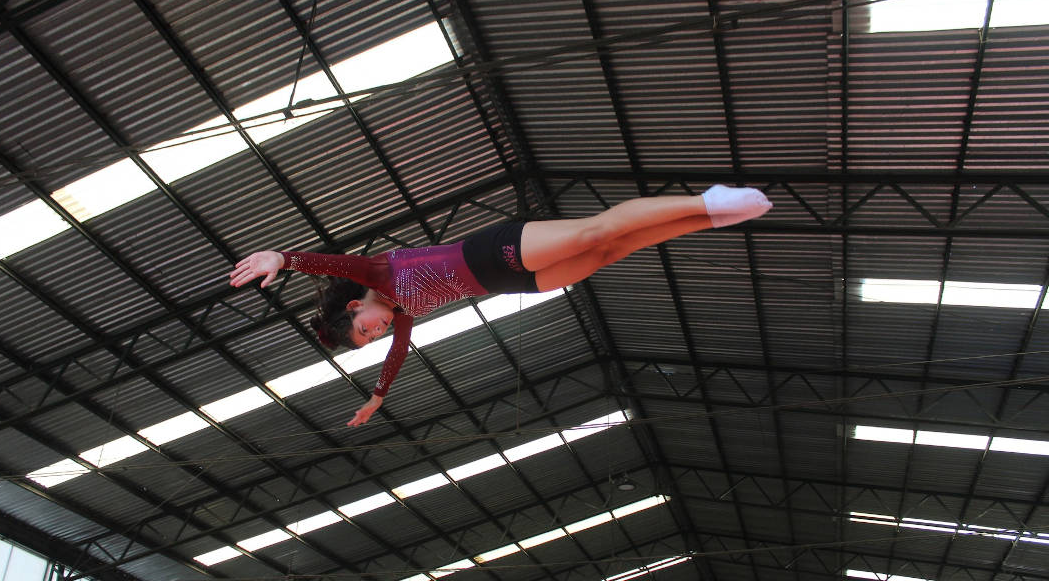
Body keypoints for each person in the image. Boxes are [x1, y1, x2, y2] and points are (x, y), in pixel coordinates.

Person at [229, 184, 772, 426]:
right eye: (371, 340)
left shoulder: (375, 273)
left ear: (353, 308)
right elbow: (399, 356)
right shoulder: (404, 312)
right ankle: (709, 218)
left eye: (364, 331)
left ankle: (705, 200)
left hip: (492, 251)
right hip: (513, 284)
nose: (376, 335)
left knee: (593, 232)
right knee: (609, 250)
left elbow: (332, 263)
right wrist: (376, 397)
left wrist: (282, 257)